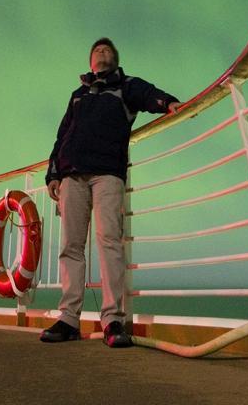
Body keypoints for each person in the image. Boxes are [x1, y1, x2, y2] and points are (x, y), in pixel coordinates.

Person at [40, 37, 180, 347]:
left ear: (114, 60)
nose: (102, 53)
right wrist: (53, 173)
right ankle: (68, 319)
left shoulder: (125, 86)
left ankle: (113, 320)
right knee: (71, 246)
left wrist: (168, 103)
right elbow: (63, 134)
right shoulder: (77, 95)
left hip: (107, 174)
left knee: (109, 242)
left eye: (108, 50)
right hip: (71, 176)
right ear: (90, 61)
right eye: (97, 50)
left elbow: (149, 95)